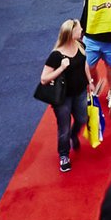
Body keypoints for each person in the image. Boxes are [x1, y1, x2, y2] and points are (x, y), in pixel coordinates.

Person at [40, 19, 90, 173]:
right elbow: (44, 79)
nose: (81, 30)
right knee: (64, 127)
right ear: (70, 33)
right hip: (62, 97)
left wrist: (90, 82)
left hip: (80, 91)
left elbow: (85, 64)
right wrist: (61, 68)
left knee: (83, 118)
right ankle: (64, 155)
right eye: (79, 29)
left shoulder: (80, 45)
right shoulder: (56, 55)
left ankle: (74, 136)